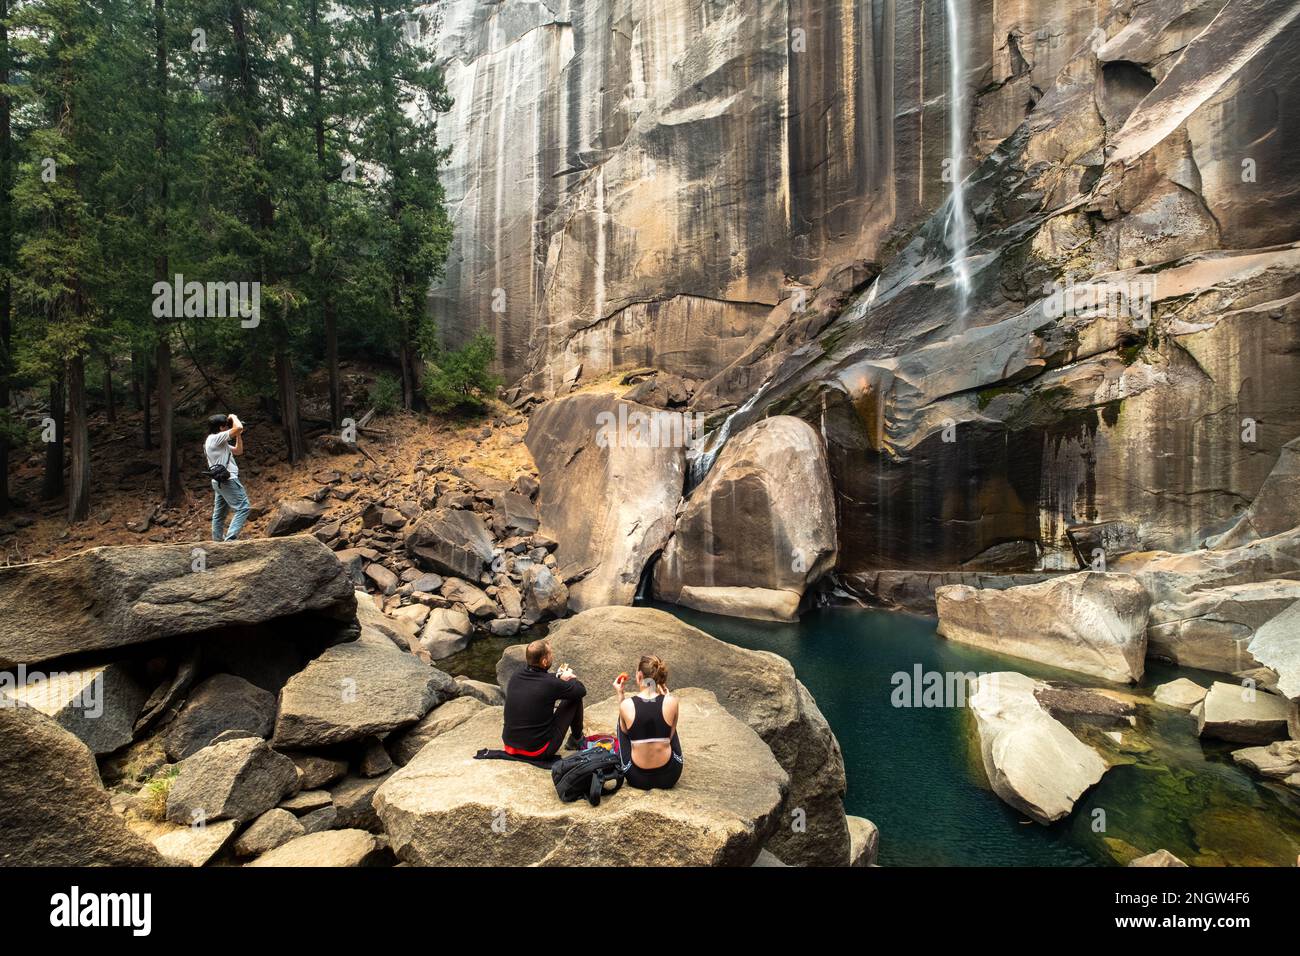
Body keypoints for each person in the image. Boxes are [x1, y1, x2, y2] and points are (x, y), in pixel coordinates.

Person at [500, 639, 586, 759]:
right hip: (538, 751)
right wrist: (571, 679)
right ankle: (577, 739)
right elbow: (581, 690)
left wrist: (558, 676)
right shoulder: (550, 684)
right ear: (544, 661)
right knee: (573, 698)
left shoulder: (516, 676)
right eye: (550, 653)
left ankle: (576, 739)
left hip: (510, 746)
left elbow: (541, 678)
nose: (552, 656)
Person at [614, 654, 683, 790]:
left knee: (621, 720)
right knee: (669, 719)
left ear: (639, 675)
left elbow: (626, 732)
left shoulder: (627, 704)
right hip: (669, 777)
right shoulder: (672, 702)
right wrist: (666, 700)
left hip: (637, 778)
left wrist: (621, 696)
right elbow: (669, 737)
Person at [205, 413, 251, 541]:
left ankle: (217, 541)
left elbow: (238, 451)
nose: (228, 428)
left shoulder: (215, 441)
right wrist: (233, 417)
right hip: (228, 481)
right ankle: (230, 540)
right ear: (221, 428)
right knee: (243, 507)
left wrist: (238, 435)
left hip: (220, 481)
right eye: (226, 426)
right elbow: (239, 427)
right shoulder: (216, 438)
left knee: (219, 514)